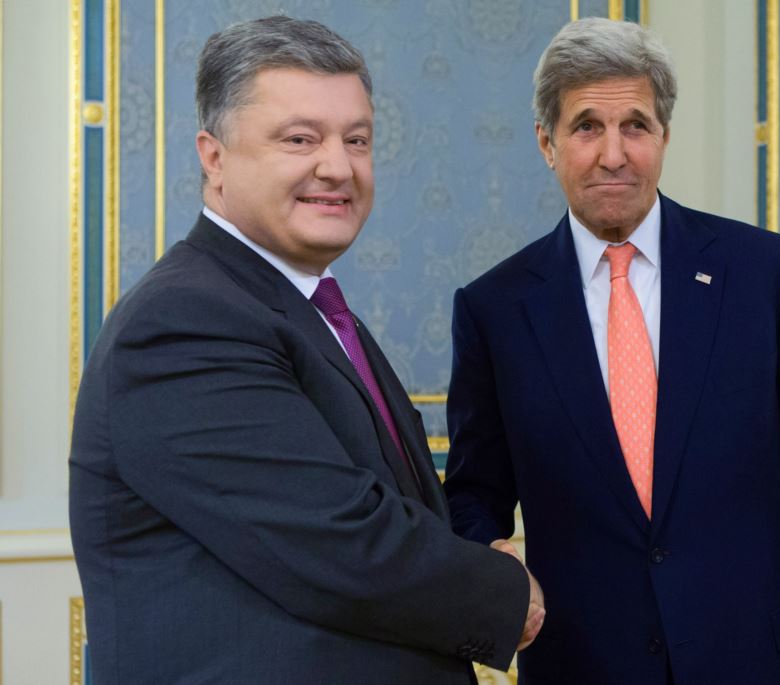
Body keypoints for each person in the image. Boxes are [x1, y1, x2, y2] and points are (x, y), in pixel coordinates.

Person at [69, 16, 543, 685]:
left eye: (358, 140)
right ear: (213, 155)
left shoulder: (302, 307)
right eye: (300, 139)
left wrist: (470, 549)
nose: (338, 166)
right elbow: (339, 543)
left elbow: (377, 509)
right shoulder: (184, 321)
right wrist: (506, 590)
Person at [443, 17, 780, 685]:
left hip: (761, 665)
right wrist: (487, 556)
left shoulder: (763, 274)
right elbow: (474, 494)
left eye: (637, 127)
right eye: (587, 126)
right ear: (547, 142)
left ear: (665, 137)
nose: (613, 154)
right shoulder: (494, 309)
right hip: (582, 666)